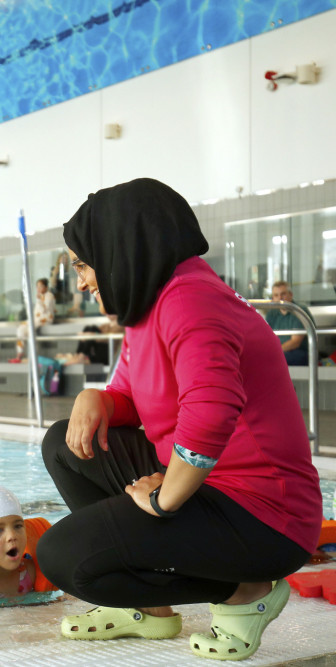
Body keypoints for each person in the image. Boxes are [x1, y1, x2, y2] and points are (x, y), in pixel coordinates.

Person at [35, 178, 321, 661]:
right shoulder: (148, 306)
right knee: (65, 443)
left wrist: (165, 500)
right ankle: (151, 609)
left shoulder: (190, 299)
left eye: (84, 264)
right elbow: (131, 395)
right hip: (213, 487)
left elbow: (211, 409)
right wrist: (99, 400)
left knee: (68, 561)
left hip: (265, 514)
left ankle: (244, 594)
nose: (81, 281)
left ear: (120, 248)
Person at [265, 281, 315, 366]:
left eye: (283, 294)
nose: (280, 298)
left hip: (300, 352)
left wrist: (274, 353)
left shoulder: (299, 311)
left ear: (290, 295)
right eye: (276, 295)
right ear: (273, 298)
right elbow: (267, 338)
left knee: (275, 360)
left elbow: (295, 342)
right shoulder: (271, 313)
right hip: (279, 352)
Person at [12, 278, 56, 362]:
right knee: (21, 329)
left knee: (30, 331)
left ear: (46, 287)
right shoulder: (40, 296)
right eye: (37, 286)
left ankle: (33, 356)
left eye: (41, 286)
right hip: (36, 320)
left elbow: (45, 310)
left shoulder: (49, 295)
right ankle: (19, 355)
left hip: (45, 320)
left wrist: (39, 300)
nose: (39, 288)